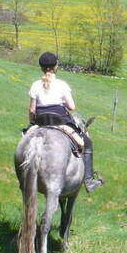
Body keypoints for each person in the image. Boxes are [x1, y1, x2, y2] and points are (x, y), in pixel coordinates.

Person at [27, 52, 103, 191]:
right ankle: (89, 181)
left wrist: (32, 124)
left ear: (41, 67)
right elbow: (72, 107)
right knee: (87, 143)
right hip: (60, 121)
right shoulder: (61, 85)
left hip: (40, 121)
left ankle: (24, 180)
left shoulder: (35, 85)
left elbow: (32, 110)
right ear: (55, 67)